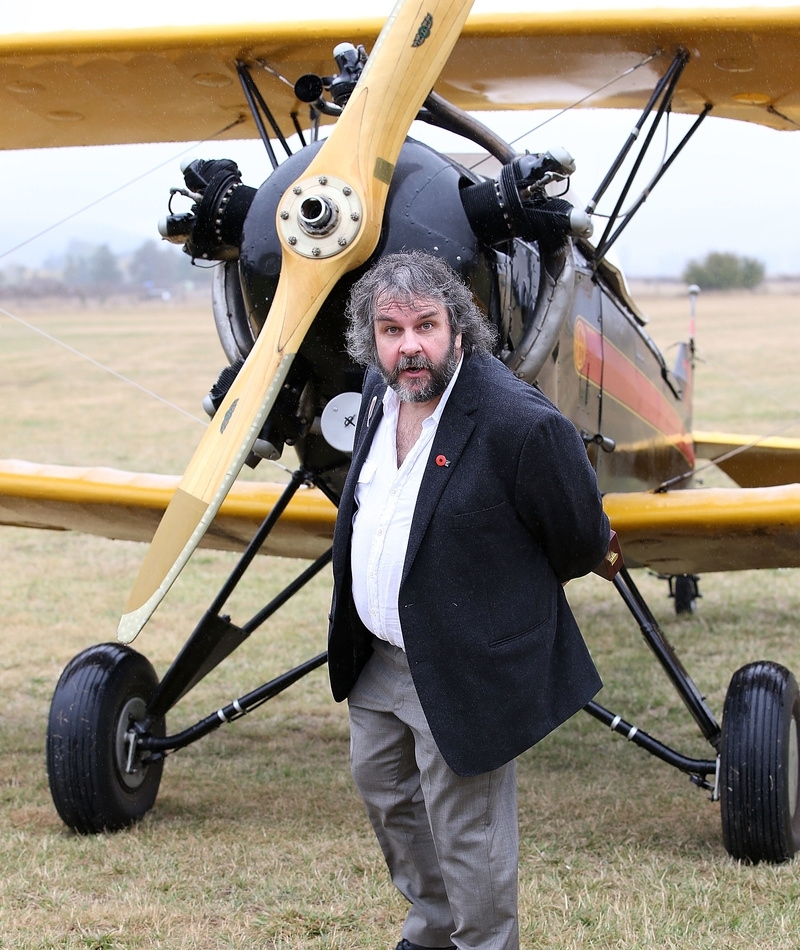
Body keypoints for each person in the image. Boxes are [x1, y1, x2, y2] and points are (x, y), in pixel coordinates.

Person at [327, 250, 610, 950]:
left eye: (426, 324)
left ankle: (483, 942)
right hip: (377, 662)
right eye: (391, 330)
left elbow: (578, 542)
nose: (410, 345)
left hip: (460, 663)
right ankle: (430, 931)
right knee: (388, 801)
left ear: (460, 326)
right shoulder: (376, 394)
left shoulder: (520, 423)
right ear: (373, 340)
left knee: (468, 839)